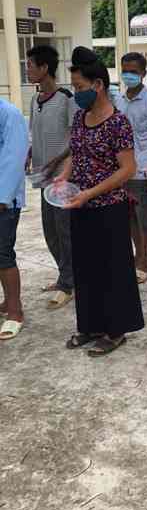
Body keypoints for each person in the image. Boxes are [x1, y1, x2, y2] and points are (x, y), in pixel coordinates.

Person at [57, 47, 144, 356]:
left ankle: (115, 330)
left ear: (98, 85)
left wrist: (90, 193)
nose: (76, 93)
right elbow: (76, 154)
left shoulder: (118, 122)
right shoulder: (81, 117)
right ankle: (91, 325)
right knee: (86, 268)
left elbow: (127, 169)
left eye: (80, 87)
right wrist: (63, 177)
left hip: (109, 207)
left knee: (112, 270)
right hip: (80, 205)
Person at [26, 44, 77, 310]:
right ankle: (65, 276)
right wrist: (29, 154)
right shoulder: (35, 100)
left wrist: (58, 160)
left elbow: (76, 139)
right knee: (50, 231)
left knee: (65, 231)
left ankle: (68, 284)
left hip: (63, 178)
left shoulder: (66, 98)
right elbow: (33, 134)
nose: (27, 70)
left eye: (30, 65)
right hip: (43, 178)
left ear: (45, 68)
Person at [115, 52, 147, 284]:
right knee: (130, 218)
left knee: (145, 217)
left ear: (143, 73)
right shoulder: (119, 100)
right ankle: (138, 255)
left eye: (133, 71)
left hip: (144, 169)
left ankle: (144, 262)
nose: (129, 75)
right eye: (125, 71)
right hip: (123, 169)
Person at [0, 99, 29, 341]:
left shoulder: (9, 114)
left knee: (3, 254)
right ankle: (7, 301)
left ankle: (15, 311)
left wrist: (2, 198)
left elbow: (14, 158)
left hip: (4, 200)